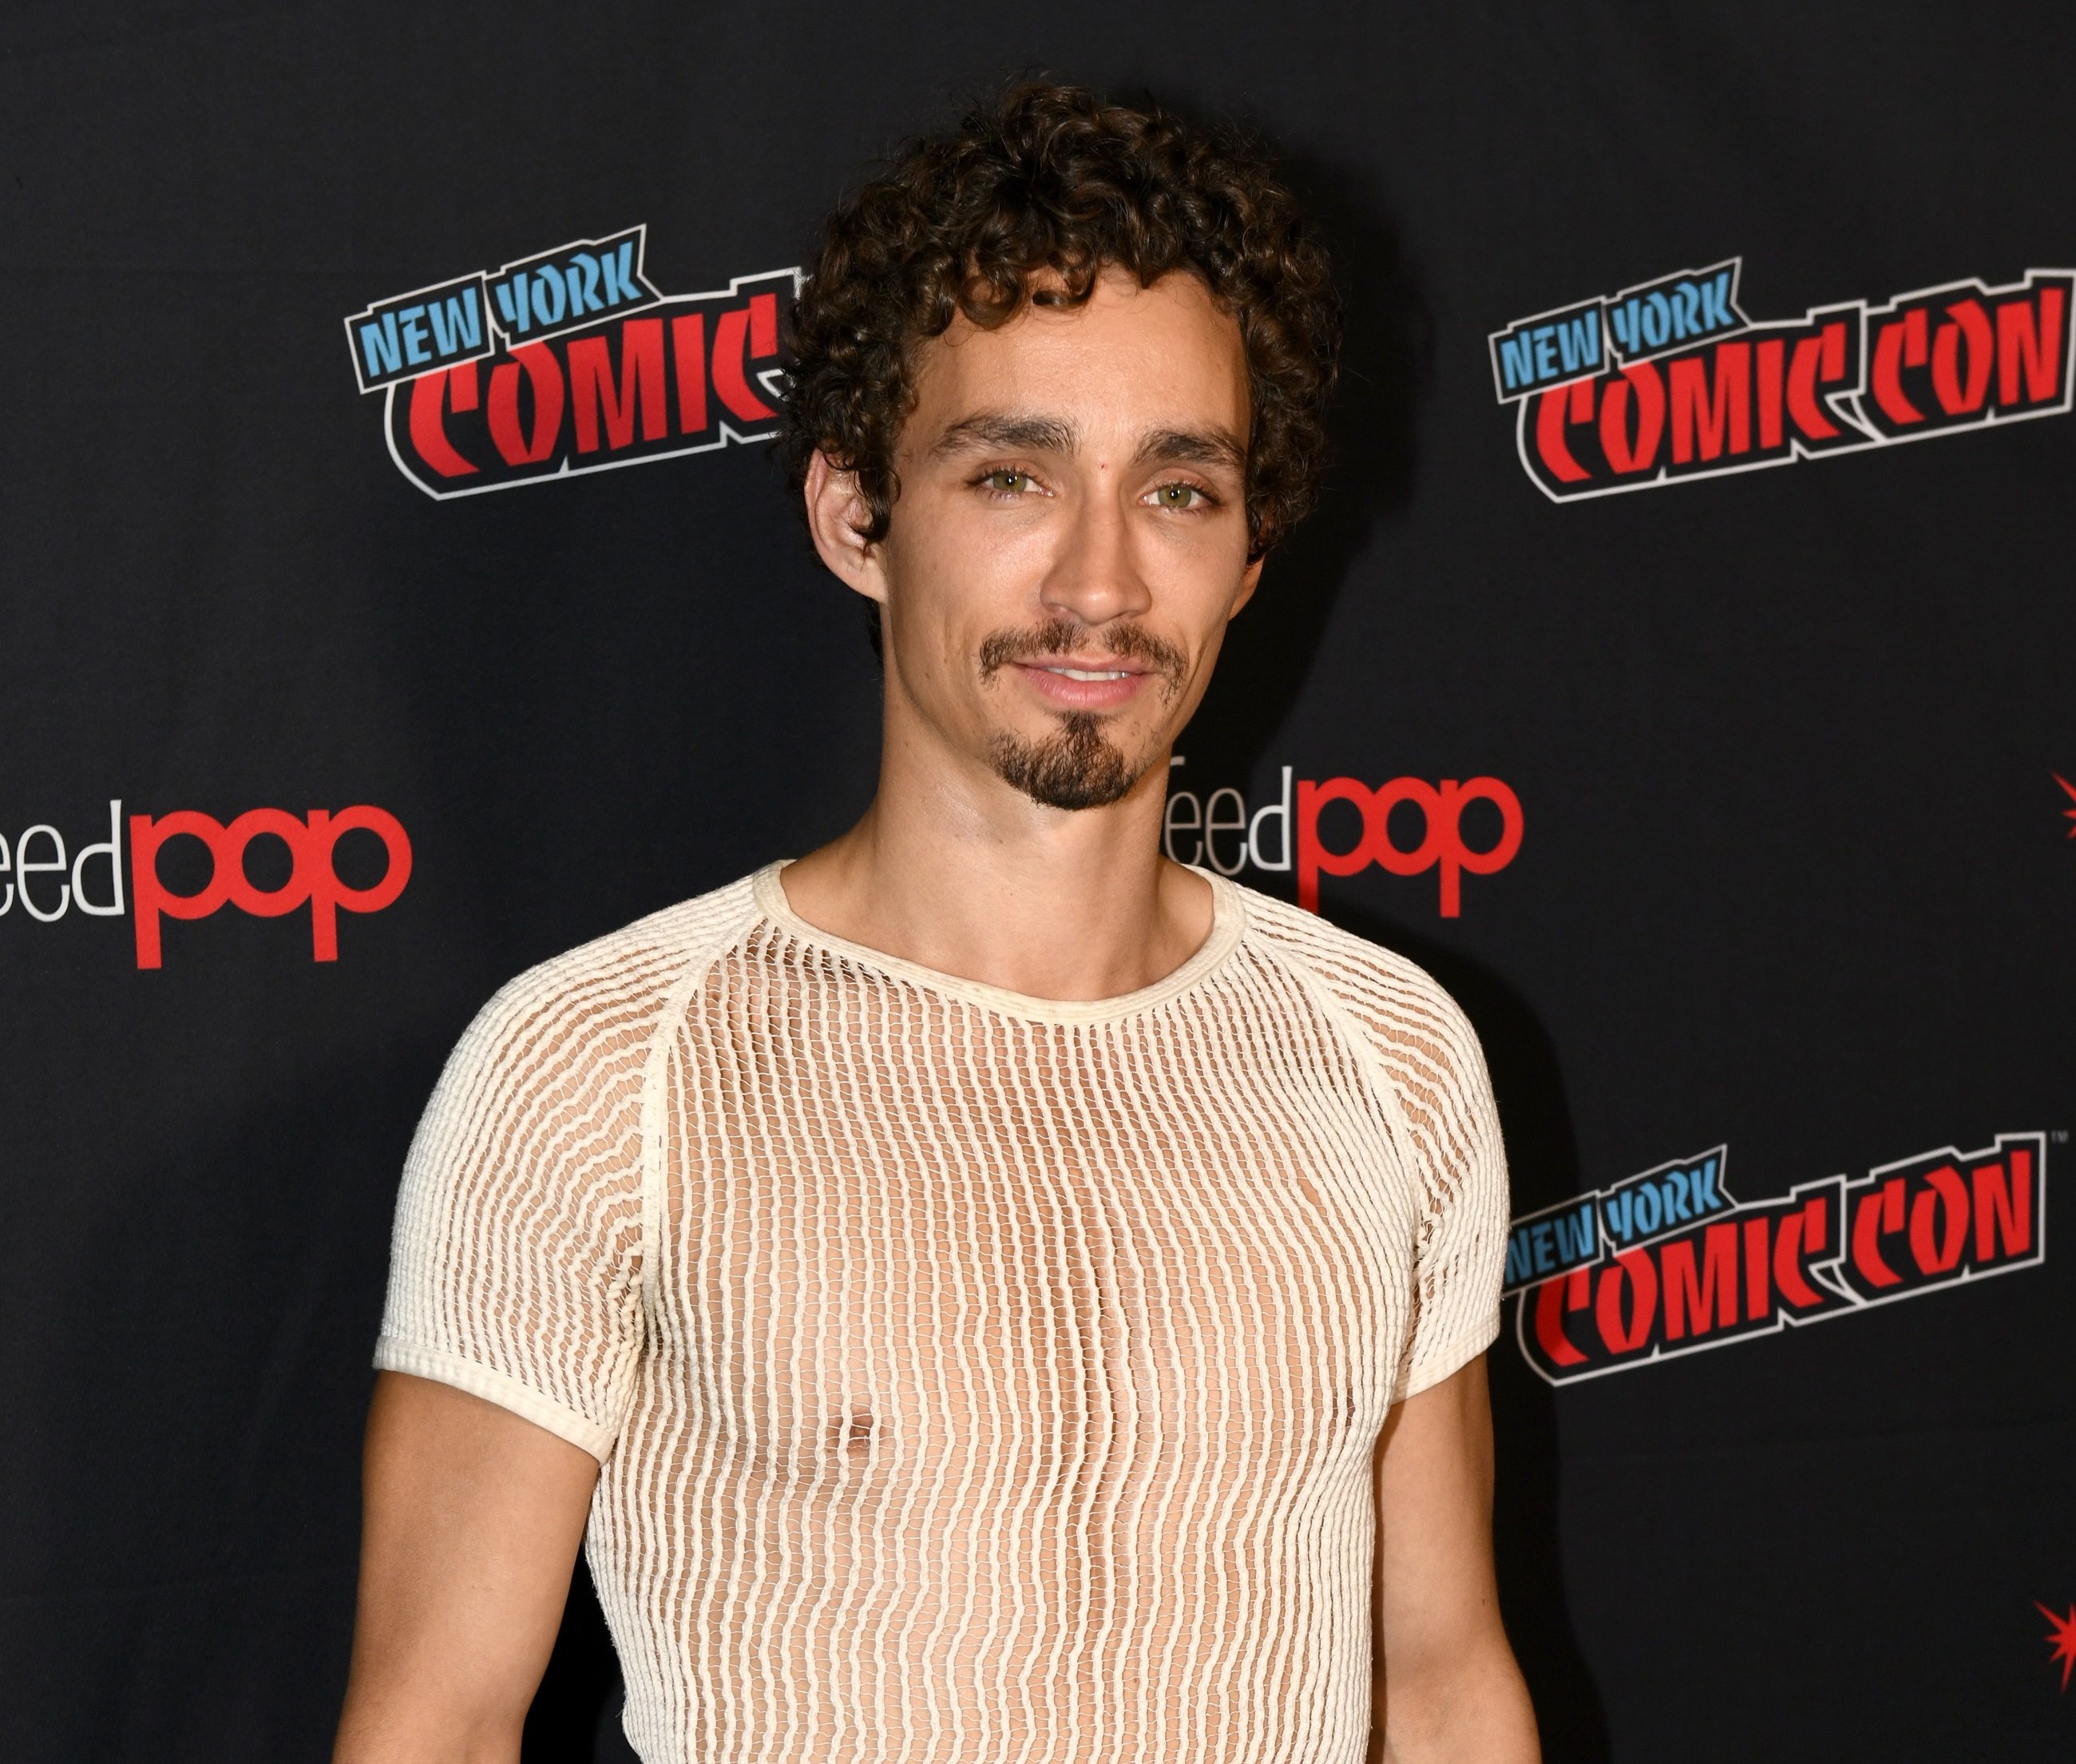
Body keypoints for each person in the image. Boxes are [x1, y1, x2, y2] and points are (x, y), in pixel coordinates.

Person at [334, 81, 1539, 1764]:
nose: (1102, 582)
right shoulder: (600, 1072)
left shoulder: (1394, 1058)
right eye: (1011, 477)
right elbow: (437, 1727)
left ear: (1254, 547)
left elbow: (1440, 1677)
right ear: (856, 518)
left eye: (1180, 488)